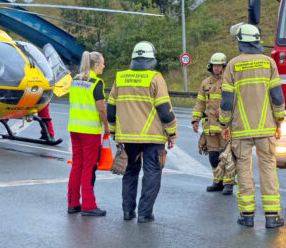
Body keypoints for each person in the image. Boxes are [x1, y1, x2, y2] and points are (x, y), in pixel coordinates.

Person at [219, 24, 286, 229]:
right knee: (268, 169)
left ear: (240, 42)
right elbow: (277, 96)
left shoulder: (233, 65)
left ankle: (247, 215)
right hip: (266, 128)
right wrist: (279, 119)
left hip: (240, 130)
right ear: (256, 42)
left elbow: (227, 100)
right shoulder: (269, 63)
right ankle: (272, 217)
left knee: (244, 170)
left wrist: (224, 123)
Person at [107, 41, 177, 223]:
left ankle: (128, 211)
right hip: (152, 137)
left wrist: (114, 131)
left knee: (130, 172)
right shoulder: (155, 78)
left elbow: (111, 109)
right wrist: (172, 133)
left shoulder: (120, 78)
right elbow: (164, 109)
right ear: (151, 59)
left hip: (128, 137)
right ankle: (145, 214)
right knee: (152, 173)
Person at [67, 51, 110, 217]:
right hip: (90, 131)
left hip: (74, 128)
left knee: (77, 165)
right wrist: (106, 126)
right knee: (89, 167)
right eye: (103, 63)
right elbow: (101, 108)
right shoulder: (96, 83)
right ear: (96, 64)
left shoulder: (75, 80)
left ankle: (73, 203)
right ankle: (88, 205)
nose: (104, 66)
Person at [191, 52, 233, 194]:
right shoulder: (205, 83)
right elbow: (200, 103)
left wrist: (223, 110)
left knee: (226, 156)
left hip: (225, 127)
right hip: (210, 127)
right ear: (211, 66)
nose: (217, 68)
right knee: (213, 157)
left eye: (219, 66)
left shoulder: (229, 81)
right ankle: (218, 182)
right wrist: (195, 120)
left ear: (224, 67)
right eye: (215, 66)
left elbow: (234, 101)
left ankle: (228, 183)